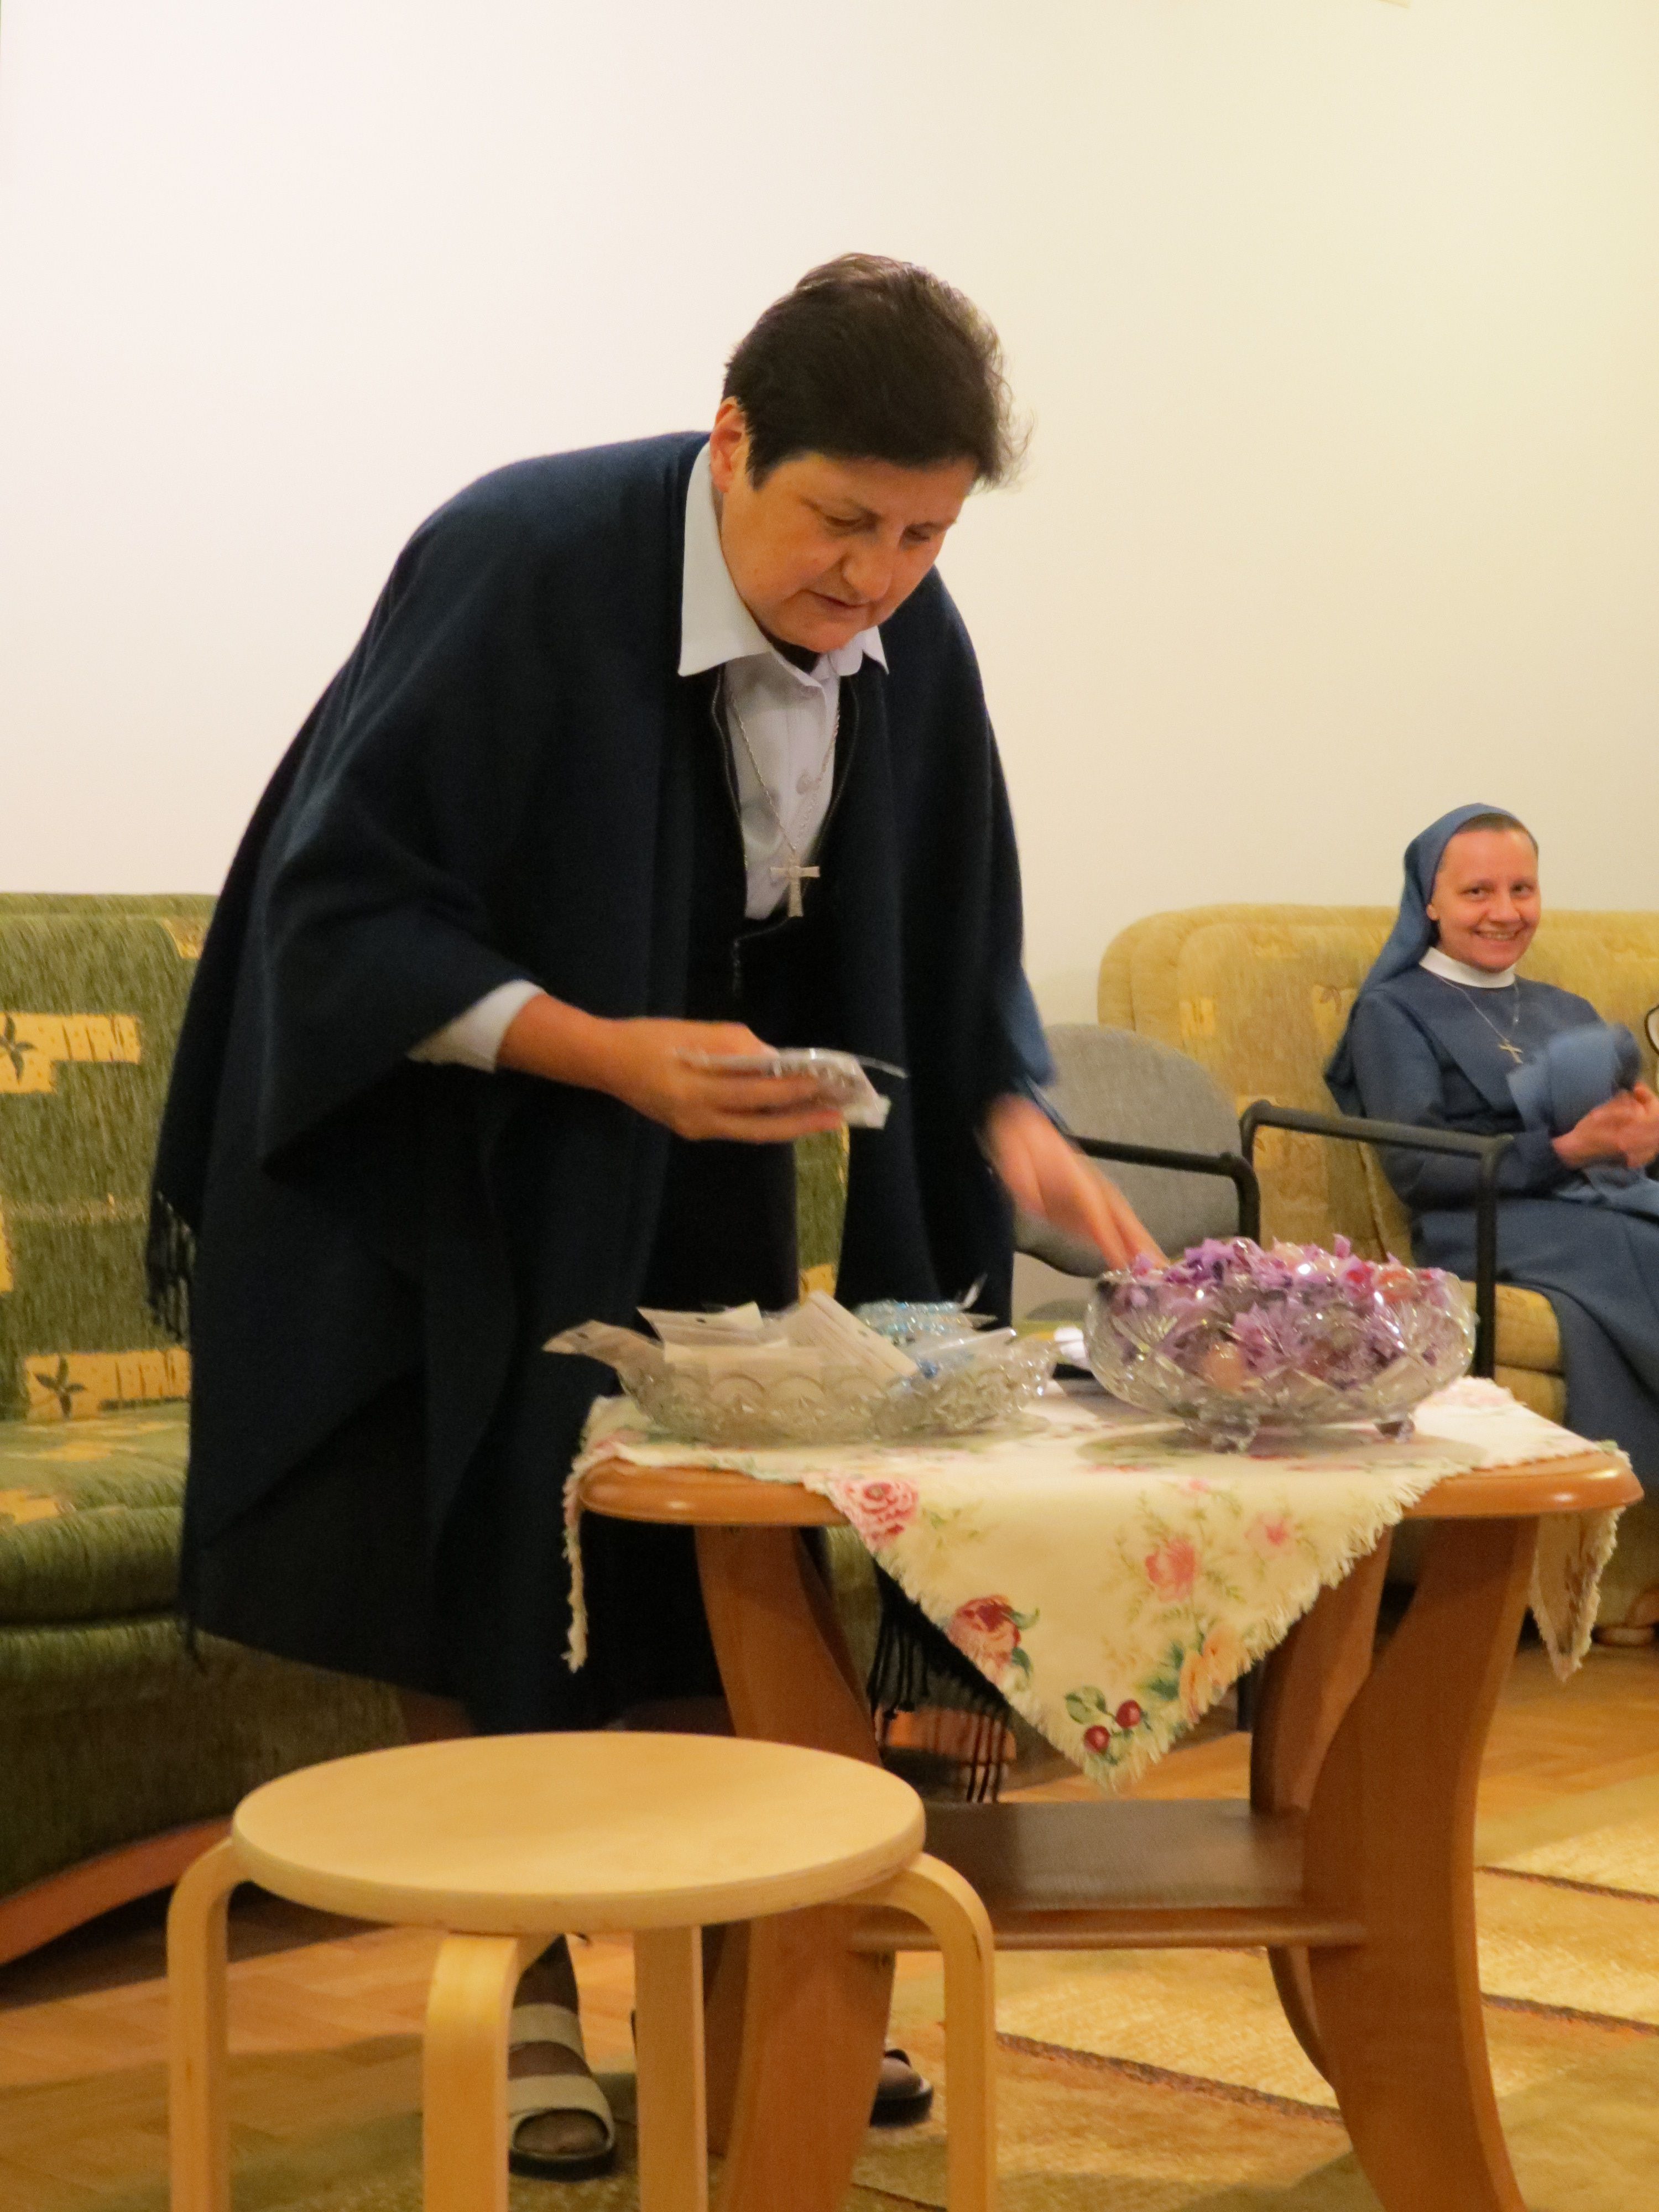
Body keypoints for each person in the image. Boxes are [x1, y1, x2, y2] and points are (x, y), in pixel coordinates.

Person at [150, 255, 1154, 2178]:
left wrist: (1008, 1108)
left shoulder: (906, 623)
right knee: (490, 1534)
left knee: (710, 1552)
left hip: (692, 1132)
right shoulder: (523, 557)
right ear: (733, 439)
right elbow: (340, 911)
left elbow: (951, 921)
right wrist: (604, 1054)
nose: (876, 577)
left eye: (927, 537)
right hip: (457, 1141)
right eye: (842, 521)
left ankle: (755, 1971)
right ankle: (524, 1985)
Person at [1326, 804, 1659, 1617]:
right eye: (1478, 892)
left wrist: (1641, 1136)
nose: (1504, 912)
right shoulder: (1393, 1011)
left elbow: (1619, 1137)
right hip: (1485, 1218)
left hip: (1597, 1200)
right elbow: (1418, 1167)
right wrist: (1568, 1150)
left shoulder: (1566, 1008)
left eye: (1522, 889)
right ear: (1430, 902)